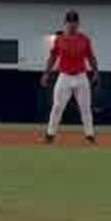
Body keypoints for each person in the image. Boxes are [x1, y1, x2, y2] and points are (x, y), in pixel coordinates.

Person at [41, 9, 100, 144]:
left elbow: (91, 57)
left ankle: (90, 135)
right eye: (69, 22)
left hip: (81, 76)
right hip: (64, 77)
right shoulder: (59, 39)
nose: (72, 25)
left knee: (85, 107)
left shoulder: (84, 39)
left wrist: (96, 72)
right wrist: (46, 73)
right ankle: (50, 134)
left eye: (74, 22)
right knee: (57, 106)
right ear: (65, 24)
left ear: (78, 24)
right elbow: (52, 57)